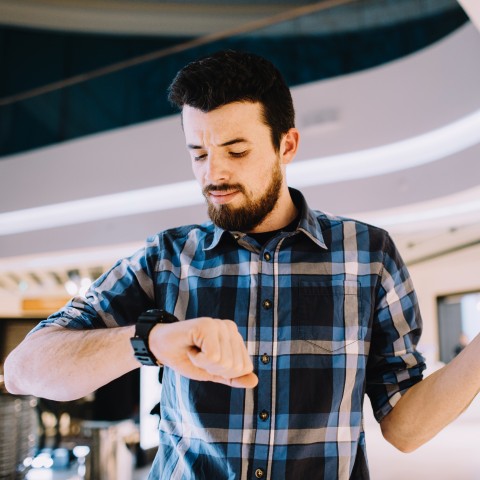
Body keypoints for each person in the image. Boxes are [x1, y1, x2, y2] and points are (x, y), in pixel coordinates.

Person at [4, 50, 480, 480]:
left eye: (236, 151)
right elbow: (24, 370)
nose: (214, 174)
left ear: (287, 145)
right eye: (199, 153)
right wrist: (149, 340)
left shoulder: (368, 254)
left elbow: (405, 428)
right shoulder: (166, 258)